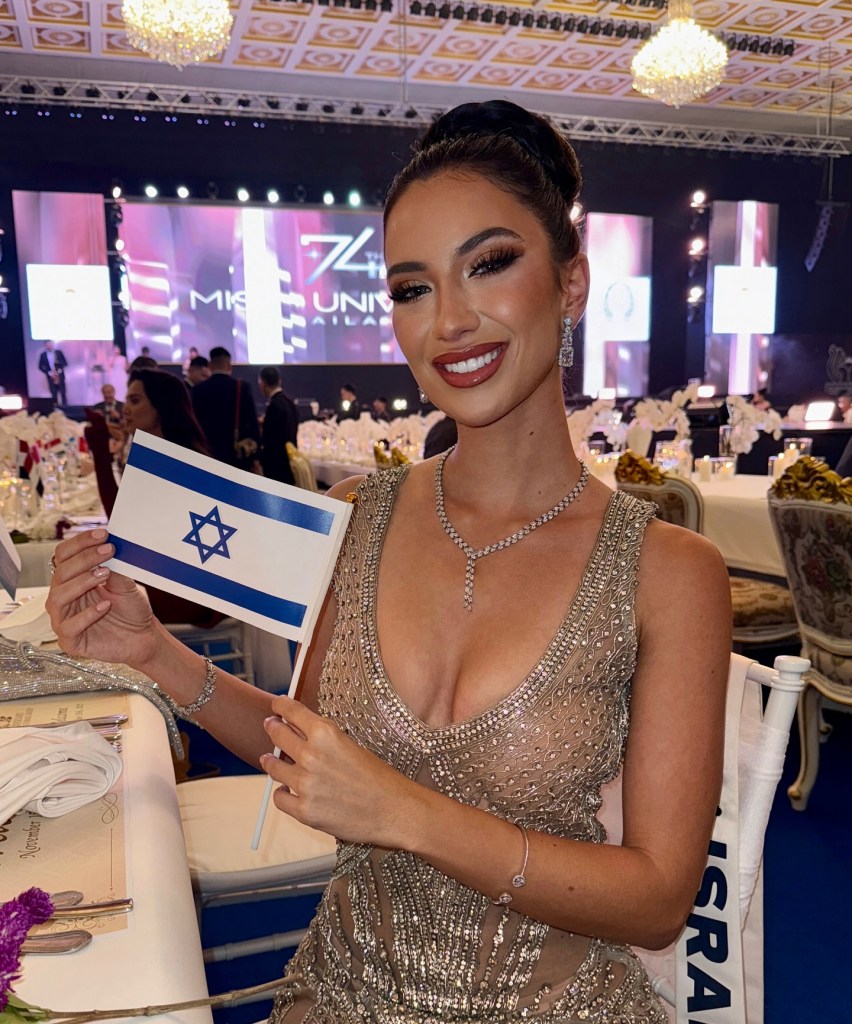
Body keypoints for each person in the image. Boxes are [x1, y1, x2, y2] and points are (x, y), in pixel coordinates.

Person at [46, 101, 731, 1023]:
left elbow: (656, 903)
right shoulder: (355, 520)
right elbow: (307, 749)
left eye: (489, 264)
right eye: (412, 288)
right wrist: (154, 656)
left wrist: (402, 811)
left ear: (572, 283)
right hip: (344, 989)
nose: (450, 320)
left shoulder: (668, 571)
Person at [84, 367, 222, 629]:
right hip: (173, 580)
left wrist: (101, 452)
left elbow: (120, 519)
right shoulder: (162, 454)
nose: (125, 408)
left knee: (94, 605)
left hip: (186, 592)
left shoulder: (176, 461)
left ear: (160, 408)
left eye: (135, 401)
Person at [191, 346, 261, 471]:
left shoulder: (197, 391)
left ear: (210, 365)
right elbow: (252, 423)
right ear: (229, 365)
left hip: (207, 456)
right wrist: (255, 457)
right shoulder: (242, 388)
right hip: (237, 457)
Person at [258, 365, 298, 486]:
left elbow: (270, 441)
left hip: (276, 468)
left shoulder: (274, 406)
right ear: (279, 381)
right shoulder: (289, 402)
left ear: (262, 383)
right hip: (289, 463)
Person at [37, 340, 68, 406]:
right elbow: (40, 366)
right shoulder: (43, 355)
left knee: (63, 392)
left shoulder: (58, 353)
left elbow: (65, 363)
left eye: (50, 344)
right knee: (54, 393)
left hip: (60, 375)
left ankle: (65, 407)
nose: (49, 346)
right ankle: (55, 407)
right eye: (47, 345)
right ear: (45, 345)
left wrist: (59, 370)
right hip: (51, 376)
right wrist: (49, 373)